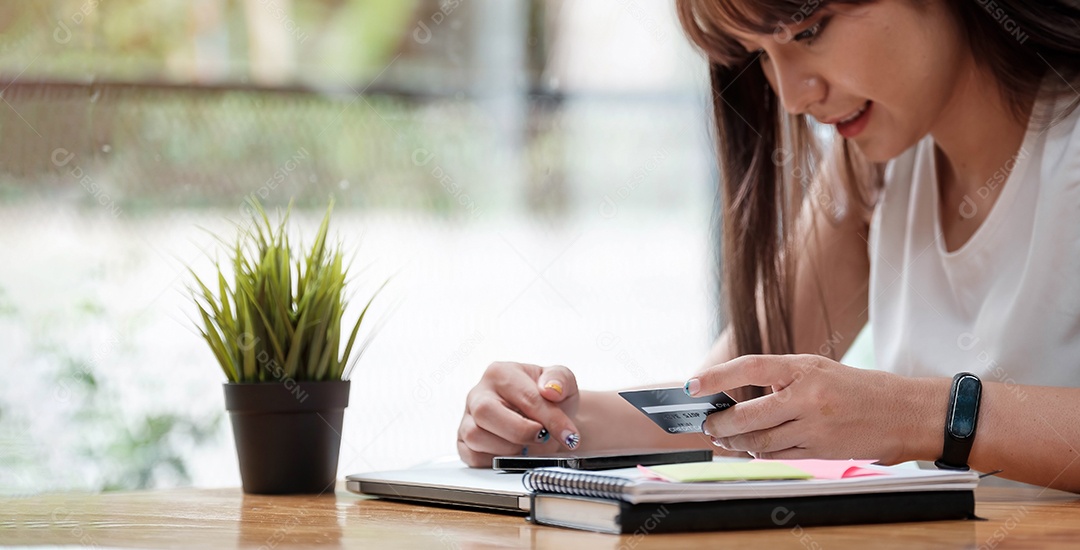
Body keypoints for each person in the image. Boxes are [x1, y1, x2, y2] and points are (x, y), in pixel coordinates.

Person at [457, 0, 1080, 492]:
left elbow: (893, 414)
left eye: (808, 31)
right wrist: (538, 421)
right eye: (759, 54)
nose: (792, 97)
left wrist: (918, 415)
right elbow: (729, 405)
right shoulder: (875, 169)